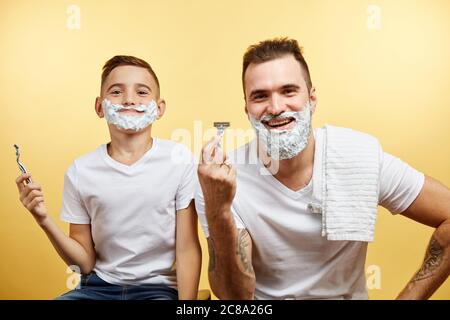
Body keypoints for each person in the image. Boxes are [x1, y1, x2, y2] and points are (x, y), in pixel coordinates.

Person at [196, 38, 450, 300]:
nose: (275, 107)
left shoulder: (358, 157)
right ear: (247, 109)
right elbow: (234, 298)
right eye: (260, 96)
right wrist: (219, 209)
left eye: (289, 91)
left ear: (312, 98)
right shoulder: (220, 179)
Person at [16, 55, 201, 300]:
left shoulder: (180, 161)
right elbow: (83, 263)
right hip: (97, 288)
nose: (129, 99)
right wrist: (43, 218)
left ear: (159, 108)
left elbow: (187, 249)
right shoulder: (80, 171)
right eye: (116, 92)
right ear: (100, 107)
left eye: (142, 92)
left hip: (156, 290)